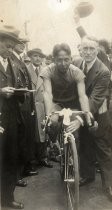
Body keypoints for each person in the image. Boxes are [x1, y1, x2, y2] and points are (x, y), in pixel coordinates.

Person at [76, 36, 112, 202]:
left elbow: (95, 98)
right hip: (82, 112)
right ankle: (88, 175)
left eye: (91, 49)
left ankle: (109, 186)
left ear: (97, 51)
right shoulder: (77, 64)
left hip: (98, 114)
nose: (87, 52)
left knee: (103, 149)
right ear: (80, 49)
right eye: (84, 48)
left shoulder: (103, 71)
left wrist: (80, 117)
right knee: (85, 144)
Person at [40, 43, 92, 150]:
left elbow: (82, 96)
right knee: (53, 122)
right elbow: (48, 93)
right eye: (59, 60)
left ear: (71, 59)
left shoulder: (77, 72)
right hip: (56, 103)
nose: (63, 63)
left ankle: (73, 159)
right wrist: (47, 115)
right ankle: (54, 143)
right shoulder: (48, 71)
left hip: (72, 104)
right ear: (54, 60)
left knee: (74, 131)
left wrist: (86, 113)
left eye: (66, 59)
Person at [0, 25, 25, 209]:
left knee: (10, 159)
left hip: (12, 119)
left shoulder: (13, 65)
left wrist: (20, 91)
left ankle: (7, 199)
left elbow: (18, 88)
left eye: (11, 47)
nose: (10, 50)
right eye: (7, 47)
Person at [12, 38, 38, 182]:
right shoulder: (10, 59)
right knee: (17, 139)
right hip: (18, 105)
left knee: (25, 137)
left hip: (26, 104)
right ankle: (16, 175)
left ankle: (24, 170)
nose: (21, 45)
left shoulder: (21, 60)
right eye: (18, 43)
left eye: (23, 43)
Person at [27, 48, 53, 168]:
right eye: (35, 56)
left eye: (39, 56)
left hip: (43, 105)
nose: (37, 58)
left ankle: (43, 157)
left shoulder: (46, 71)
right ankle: (32, 160)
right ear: (30, 57)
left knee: (44, 131)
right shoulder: (26, 70)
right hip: (31, 105)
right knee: (32, 133)